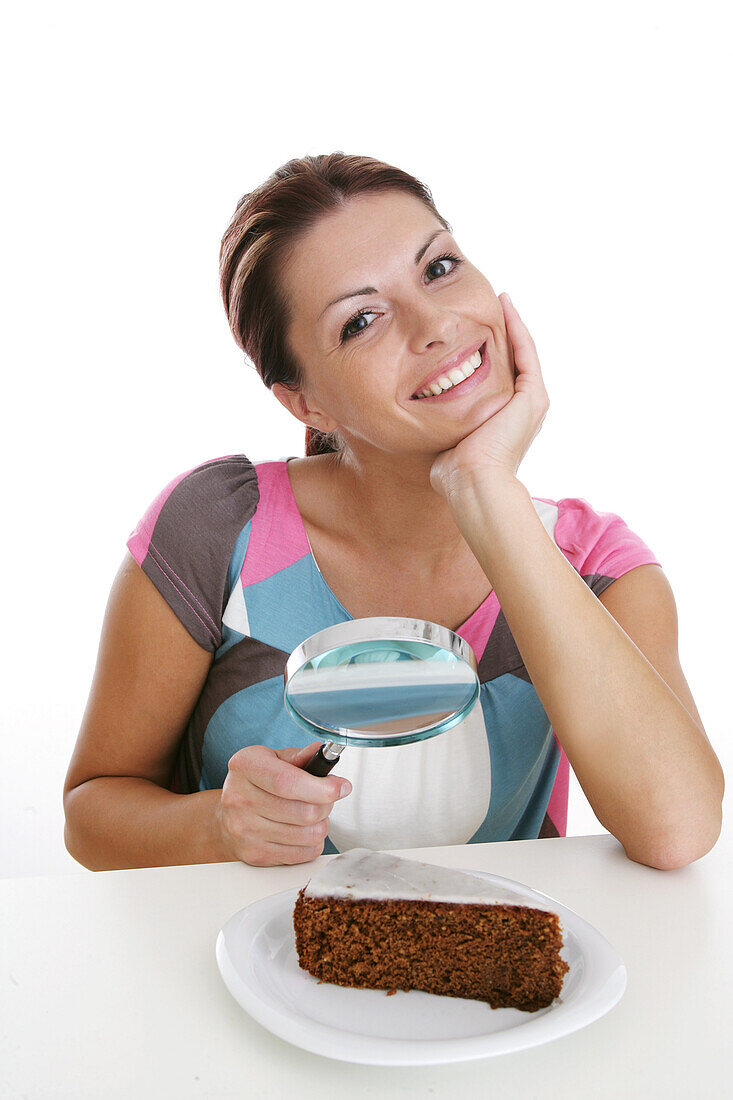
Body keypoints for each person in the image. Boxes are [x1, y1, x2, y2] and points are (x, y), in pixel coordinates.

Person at [63, 153, 724, 871]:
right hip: (239, 970)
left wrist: (484, 490)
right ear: (305, 403)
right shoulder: (218, 531)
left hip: (488, 978)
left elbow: (676, 832)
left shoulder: (599, 571)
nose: (434, 323)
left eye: (438, 269)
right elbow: (93, 810)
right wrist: (215, 828)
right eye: (361, 320)